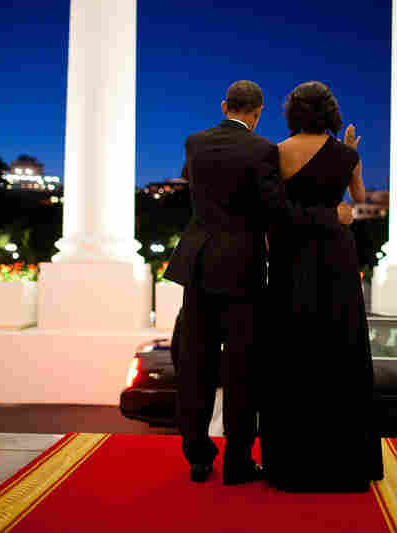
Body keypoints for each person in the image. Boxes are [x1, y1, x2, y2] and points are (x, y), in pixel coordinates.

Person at [163, 80, 354, 485]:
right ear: (259, 111)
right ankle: (237, 462)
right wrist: (328, 216)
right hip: (241, 270)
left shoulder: (194, 142)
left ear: (224, 105)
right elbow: (278, 210)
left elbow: (197, 189)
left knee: (196, 364)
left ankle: (198, 457)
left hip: (197, 264)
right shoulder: (262, 150)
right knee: (241, 369)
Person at [260, 81, 384, 492]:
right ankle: (344, 463)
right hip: (336, 256)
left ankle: (291, 463)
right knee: (340, 348)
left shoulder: (277, 152)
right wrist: (349, 152)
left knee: (292, 351)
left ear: (292, 111)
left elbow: (274, 209)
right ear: (331, 112)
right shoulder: (347, 154)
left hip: (292, 258)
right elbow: (360, 197)